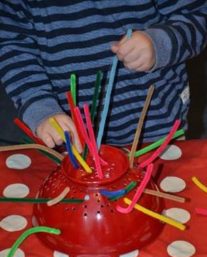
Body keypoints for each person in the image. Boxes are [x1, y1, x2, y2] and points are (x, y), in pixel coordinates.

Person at [0, 1, 206, 152]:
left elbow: (198, 16)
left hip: (157, 130)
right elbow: (13, 49)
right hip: (73, 140)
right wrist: (41, 109)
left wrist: (159, 43)